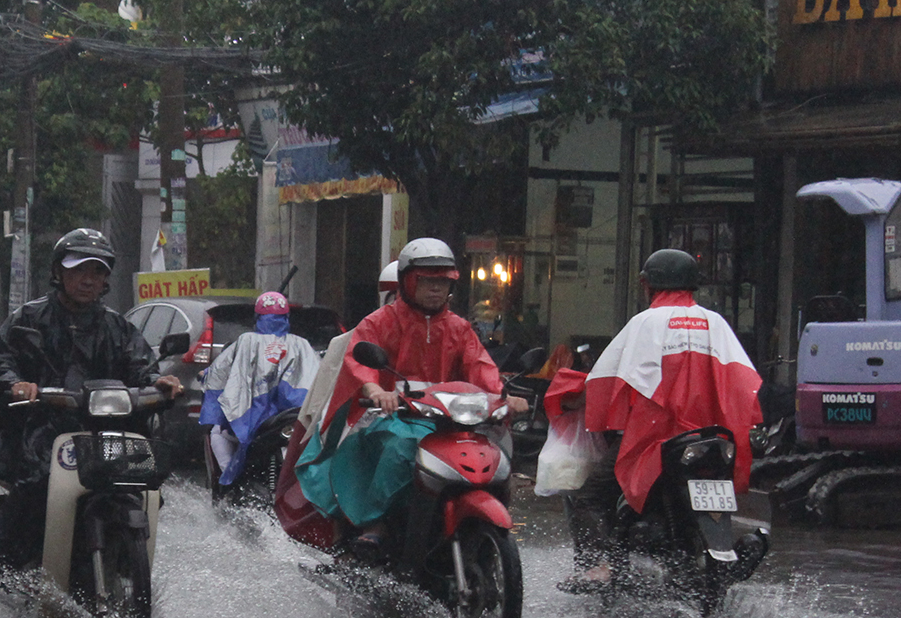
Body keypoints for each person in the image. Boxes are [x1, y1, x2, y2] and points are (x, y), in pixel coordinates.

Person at [295, 237, 526, 557]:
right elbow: (358, 362)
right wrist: (375, 390)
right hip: (393, 415)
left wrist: (503, 396)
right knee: (400, 446)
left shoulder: (459, 328)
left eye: (443, 282)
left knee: (491, 446)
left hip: (450, 418)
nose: (436, 289)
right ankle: (375, 524)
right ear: (406, 281)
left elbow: (481, 366)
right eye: (427, 281)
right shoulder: (380, 321)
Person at [550, 247, 762, 591]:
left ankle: (599, 567)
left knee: (589, 497)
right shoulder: (717, 323)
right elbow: (744, 383)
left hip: (657, 439)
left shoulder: (645, 323)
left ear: (647, 284)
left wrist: (572, 396)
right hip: (713, 441)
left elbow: (608, 380)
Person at [0, 228, 182, 583]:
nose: (89, 280)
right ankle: (8, 577)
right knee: (27, 499)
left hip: (106, 434)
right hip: (42, 435)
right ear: (59, 272)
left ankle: (123, 563)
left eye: (98, 272)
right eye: (79, 270)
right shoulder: (28, 320)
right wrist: (17, 386)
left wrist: (158, 384)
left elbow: (143, 369)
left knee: (145, 489)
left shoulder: (119, 328)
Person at [200, 290, 318, 489]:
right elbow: (320, 374)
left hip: (252, 420)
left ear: (257, 317)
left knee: (217, 432)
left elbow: (218, 372)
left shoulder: (246, 341)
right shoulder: (302, 344)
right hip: (293, 420)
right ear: (286, 317)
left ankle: (229, 483)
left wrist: (206, 375)